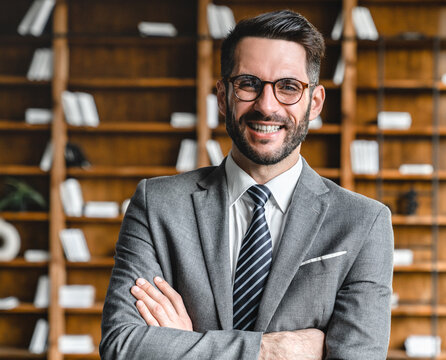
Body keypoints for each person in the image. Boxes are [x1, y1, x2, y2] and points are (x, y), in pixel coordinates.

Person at [100, 10, 393, 360]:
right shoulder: (157, 204)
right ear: (223, 97)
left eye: (288, 87)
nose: (266, 106)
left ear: (314, 103)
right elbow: (123, 345)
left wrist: (188, 345)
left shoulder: (363, 222)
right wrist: (271, 351)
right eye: (248, 84)